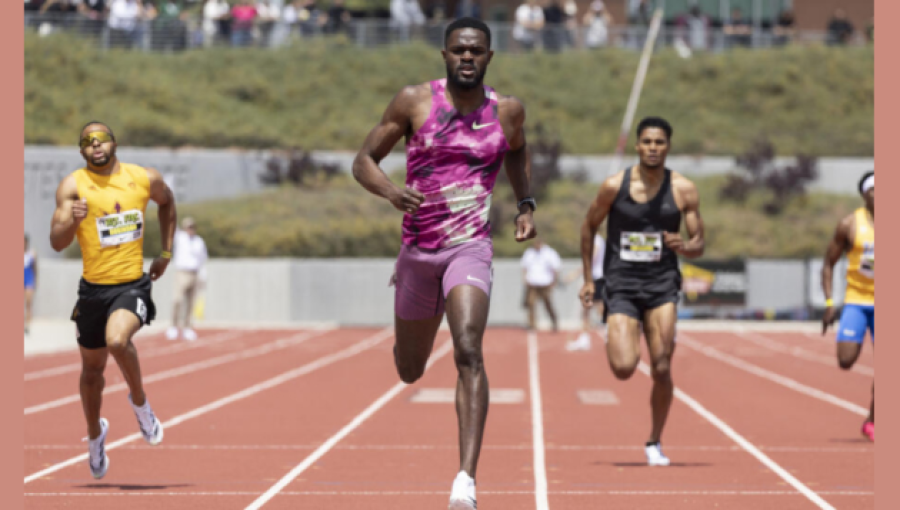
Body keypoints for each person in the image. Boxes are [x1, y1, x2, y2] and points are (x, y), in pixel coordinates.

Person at [351, 17, 536, 510]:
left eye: (477, 51)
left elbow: (517, 155)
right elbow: (364, 159)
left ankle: (465, 481)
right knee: (410, 370)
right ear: (445, 55)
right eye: (459, 50)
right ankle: (407, 344)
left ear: (489, 57)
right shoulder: (415, 101)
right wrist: (392, 192)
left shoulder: (508, 111)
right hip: (417, 252)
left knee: (469, 349)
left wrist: (524, 205)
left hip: (469, 247)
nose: (468, 58)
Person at [49, 121, 175, 479]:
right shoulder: (73, 186)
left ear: (113, 143)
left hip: (130, 284)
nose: (95, 145)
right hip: (92, 290)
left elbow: (168, 203)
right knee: (91, 373)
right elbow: (57, 241)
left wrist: (166, 252)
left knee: (117, 340)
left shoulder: (143, 177)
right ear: (82, 152)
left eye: (100, 138)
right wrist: (71, 223)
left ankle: (140, 403)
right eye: (87, 142)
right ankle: (94, 436)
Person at [579, 116, 704, 466]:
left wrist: (686, 246)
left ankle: (654, 441)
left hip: (662, 284)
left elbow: (699, 243)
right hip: (622, 283)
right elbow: (588, 228)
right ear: (637, 145)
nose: (653, 148)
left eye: (659, 142)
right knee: (623, 367)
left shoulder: (683, 189)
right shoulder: (613, 186)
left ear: (668, 147)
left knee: (662, 367)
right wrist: (590, 279)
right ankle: (622, 332)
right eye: (647, 142)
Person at [821, 170, 874, 441]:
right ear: (865, 195)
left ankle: (874, 419)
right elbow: (828, 264)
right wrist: (830, 302)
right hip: (856, 300)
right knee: (845, 360)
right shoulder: (850, 225)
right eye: (874, 190)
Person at [167, 216, 208, 342]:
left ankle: (187, 328)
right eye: (188, 227)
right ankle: (174, 326)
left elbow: (203, 259)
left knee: (191, 303)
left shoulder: (199, 241)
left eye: (192, 227)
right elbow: (171, 224)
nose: (190, 230)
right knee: (177, 300)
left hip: (194, 273)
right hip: (182, 272)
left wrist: (203, 275)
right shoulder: (180, 238)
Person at [565, 232, 605, 351]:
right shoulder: (597, 239)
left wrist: (575, 274)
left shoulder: (596, 240)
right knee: (588, 308)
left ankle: (608, 335)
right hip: (593, 278)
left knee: (596, 308)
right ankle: (585, 338)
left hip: (596, 279)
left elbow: (591, 259)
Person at [520, 238, 560, 332]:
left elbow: (556, 267)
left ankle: (554, 321)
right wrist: (525, 278)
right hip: (532, 283)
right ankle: (532, 324)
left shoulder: (550, 253)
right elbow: (524, 267)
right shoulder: (529, 252)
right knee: (531, 303)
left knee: (548, 304)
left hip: (545, 283)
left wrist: (554, 281)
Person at [24, 234, 39, 337]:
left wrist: (35, 281)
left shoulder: (32, 254)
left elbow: (35, 269)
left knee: (28, 303)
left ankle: (27, 326)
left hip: (29, 280)